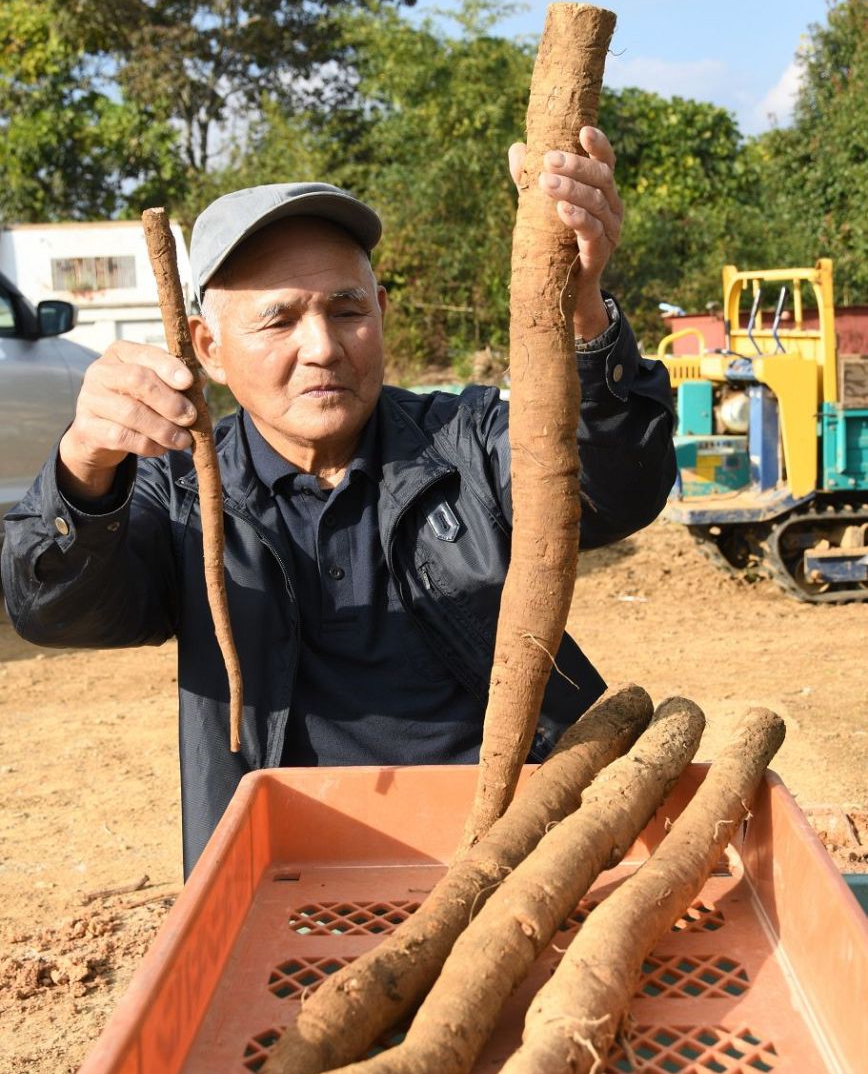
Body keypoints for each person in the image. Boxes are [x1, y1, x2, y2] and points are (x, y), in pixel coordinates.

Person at [2, 129, 675, 874]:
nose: (322, 346)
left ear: (381, 312)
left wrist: (583, 309)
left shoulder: (469, 440)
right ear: (208, 345)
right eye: (279, 318)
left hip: (520, 849)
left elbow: (620, 486)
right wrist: (83, 467)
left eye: (347, 309)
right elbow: (51, 610)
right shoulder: (181, 493)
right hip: (286, 867)